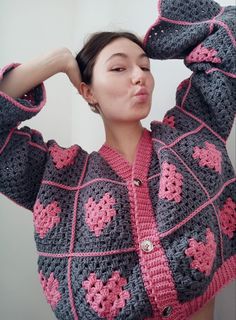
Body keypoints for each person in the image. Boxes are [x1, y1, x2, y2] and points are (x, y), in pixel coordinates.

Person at [0, 0, 235, 319]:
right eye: (119, 67)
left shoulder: (192, 134)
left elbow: (229, 32)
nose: (139, 76)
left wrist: (166, 36)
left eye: (145, 66)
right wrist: (56, 60)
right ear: (88, 92)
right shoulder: (59, 179)